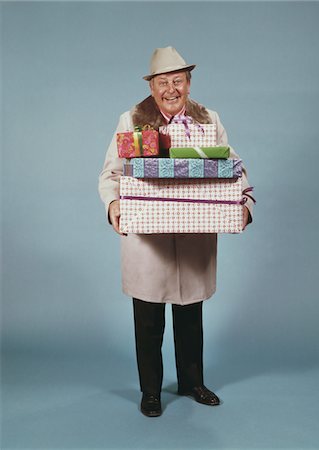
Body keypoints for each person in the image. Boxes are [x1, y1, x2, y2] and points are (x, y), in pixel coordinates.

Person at [98, 46, 255, 417]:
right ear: (152, 87)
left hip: (194, 233)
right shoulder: (131, 119)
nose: (172, 89)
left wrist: (244, 204)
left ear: (189, 82)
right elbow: (111, 173)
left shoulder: (209, 118)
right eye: (163, 82)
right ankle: (151, 391)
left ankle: (192, 382)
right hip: (147, 239)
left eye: (178, 80)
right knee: (148, 316)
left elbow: (233, 165)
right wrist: (114, 205)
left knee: (190, 314)